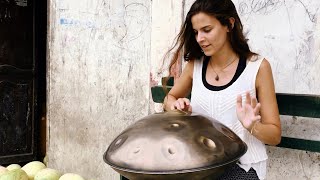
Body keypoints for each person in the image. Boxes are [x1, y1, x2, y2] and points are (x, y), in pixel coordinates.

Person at [163, 0, 281, 179]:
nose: (199, 38)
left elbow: (274, 136)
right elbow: (169, 98)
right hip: (201, 164)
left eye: (207, 30)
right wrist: (177, 106)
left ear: (229, 24)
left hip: (242, 166)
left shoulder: (257, 68)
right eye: (196, 32)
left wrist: (252, 126)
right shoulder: (196, 65)